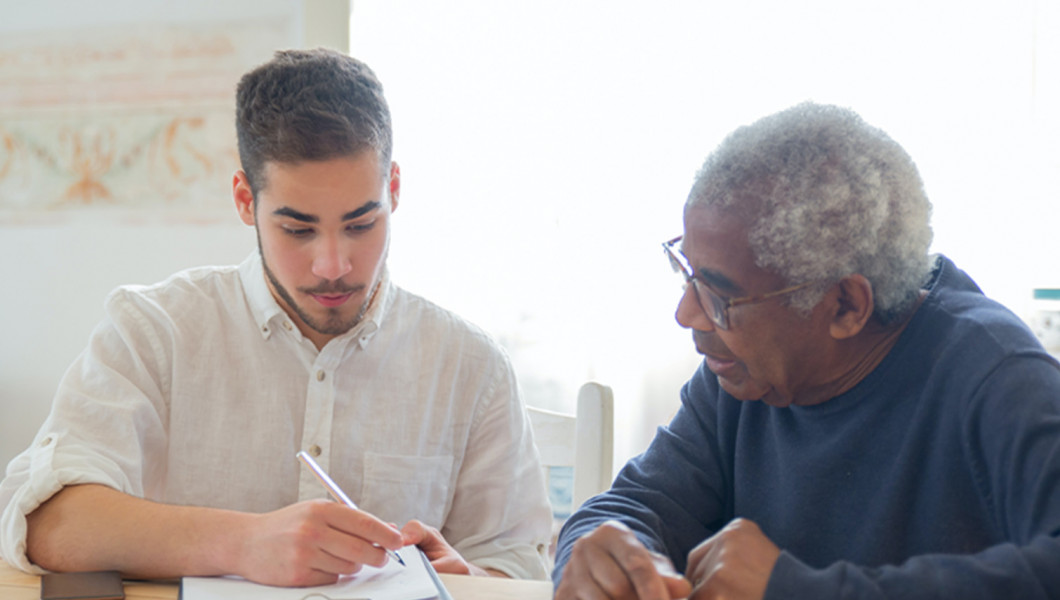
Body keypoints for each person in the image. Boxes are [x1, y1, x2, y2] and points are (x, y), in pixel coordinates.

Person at [0, 48, 552, 586]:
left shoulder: (471, 366)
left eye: (361, 224)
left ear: (395, 190)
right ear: (246, 201)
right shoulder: (154, 330)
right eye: (298, 229)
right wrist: (241, 544)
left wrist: (466, 577)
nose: (333, 265)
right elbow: (46, 522)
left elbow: (523, 568)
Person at [552, 102, 1060, 599]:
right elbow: (635, 505)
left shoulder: (998, 376)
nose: (687, 315)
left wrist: (797, 589)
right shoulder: (741, 374)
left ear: (844, 305)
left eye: (720, 295)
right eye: (686, 272)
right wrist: (600, 553)